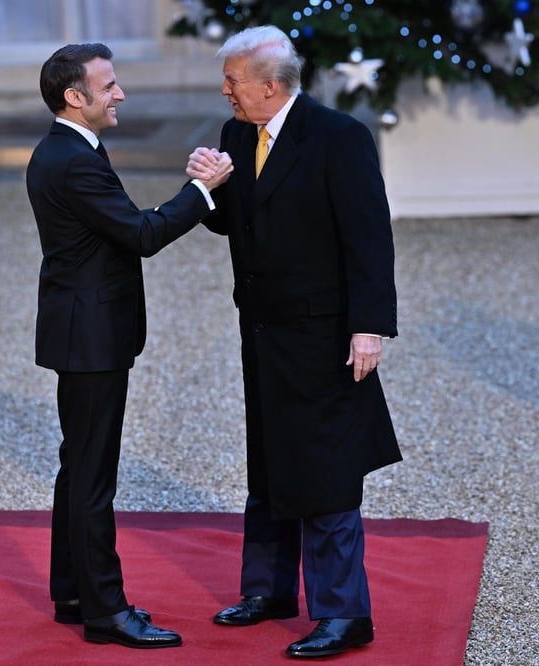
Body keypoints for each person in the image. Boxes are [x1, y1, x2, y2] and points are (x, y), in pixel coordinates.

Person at [186, 25, 401, 659]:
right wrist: (211, 189)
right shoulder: (235, 134)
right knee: (270, 457)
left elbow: (369, 238)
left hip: (326, 333)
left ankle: (343, 614)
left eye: (233, 81)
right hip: (262, 330)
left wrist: (371, 326)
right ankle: (269, 590)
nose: (225, 91)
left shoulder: (339, 137)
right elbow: (240, 221)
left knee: (327, 467)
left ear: (271, 86)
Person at [26, 43, 232, 649]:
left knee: (77, 465)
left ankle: (72, 589)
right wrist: (201, 189)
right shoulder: (74, 160)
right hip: (92, 337)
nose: (120, 94)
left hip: (80, 328)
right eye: (108, 85)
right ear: (75, 96)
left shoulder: (64, 149)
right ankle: (107, 611)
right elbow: (142, 234)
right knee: (93, 476)